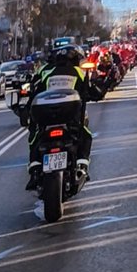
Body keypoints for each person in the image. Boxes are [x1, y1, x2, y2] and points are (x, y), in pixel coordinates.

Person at [24, 44, 105, 191]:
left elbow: (34, 91)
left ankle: (35, 168)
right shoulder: (79, 72)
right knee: (85, 135)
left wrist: (26, 108)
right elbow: (92, 91)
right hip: (70, 118)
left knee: (35, 136)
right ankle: (81, 165)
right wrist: (98, 92)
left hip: (46, 118)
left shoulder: (46, 72)